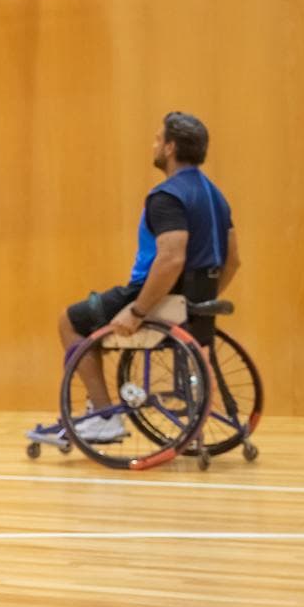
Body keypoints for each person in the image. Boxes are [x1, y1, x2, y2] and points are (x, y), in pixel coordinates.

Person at [54, 110, 239, 442]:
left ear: (170, 148)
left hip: (154, 296)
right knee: (90, 314)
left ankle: (104, 416)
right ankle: (100, 414)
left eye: (157, 138)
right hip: (189, 302)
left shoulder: (167, 196)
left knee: (70, 320)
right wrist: (197, 304)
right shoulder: (216, 196)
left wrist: (139, 310)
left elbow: (170, 258)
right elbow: (232, 261)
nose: (153, 144)